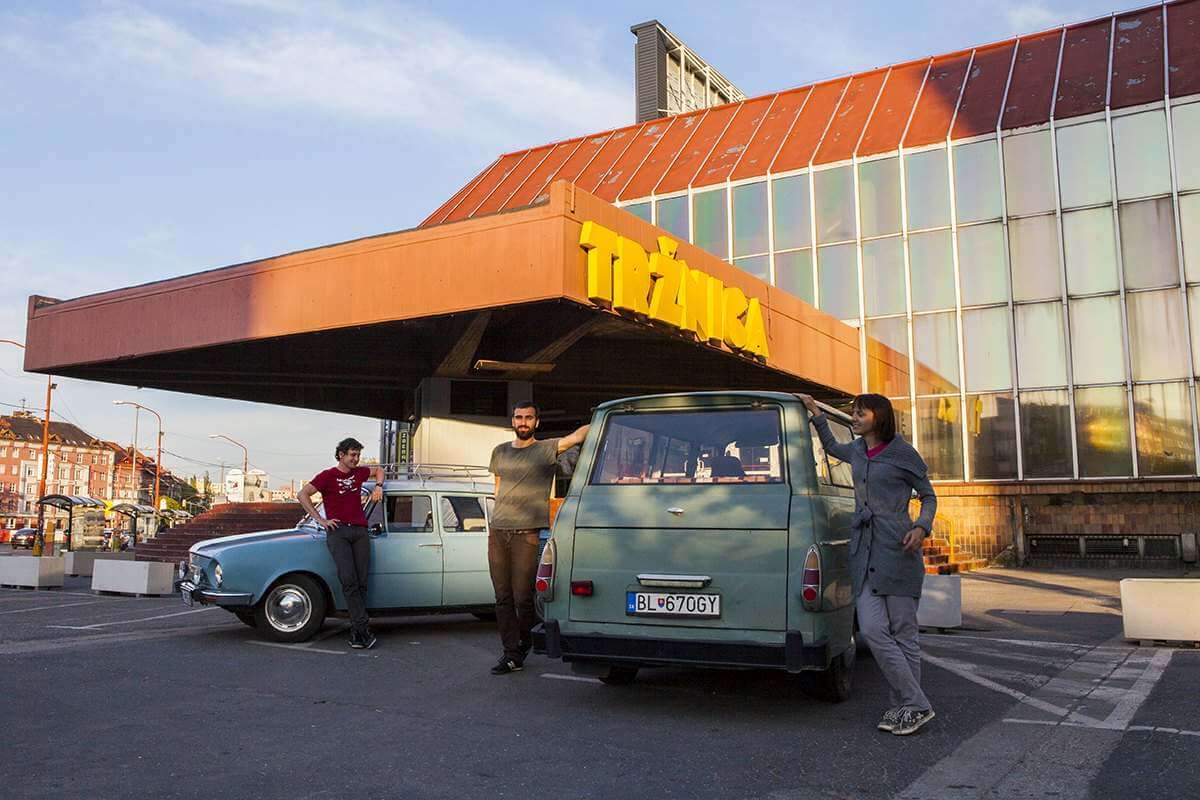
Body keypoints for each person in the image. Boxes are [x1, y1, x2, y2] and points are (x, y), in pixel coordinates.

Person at [797, 392, 938, 736]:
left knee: (904, 633)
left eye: (860, 413)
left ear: (879, 416)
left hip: (898, 548)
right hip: (864, 550)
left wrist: (921, 527)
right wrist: (815, 412)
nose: (855, 418)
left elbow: (929, 495)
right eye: (854, 413)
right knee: (873, 630)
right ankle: (916, 704)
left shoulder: (903, 453)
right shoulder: (857, 450)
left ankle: (904, 707)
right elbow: (831, 446)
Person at [487, 402, 589, 675]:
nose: (523, 422)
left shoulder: (545, 449)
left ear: (536, 422)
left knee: (522, 597)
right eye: (519, 417)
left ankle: (522, 643)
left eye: (528, 418)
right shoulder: (500, 452)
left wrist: (605, 416)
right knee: (501, 597)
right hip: (498, 532)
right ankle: (511, 653)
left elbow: (578, 436)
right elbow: (498, 488)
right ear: (513, 420)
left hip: (527, 535)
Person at [298, 437, 385, 650]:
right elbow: (303, 494)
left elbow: (379, 470)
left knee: (361, 581)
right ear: (341, 455)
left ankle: (358, 632)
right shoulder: (328, 476)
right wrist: (321, 520)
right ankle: (361, 630)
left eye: (358, 455)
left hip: (360, 531)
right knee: (349, 580)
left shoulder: (359, 473)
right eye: (352, 455)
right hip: (338, 532)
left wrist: (379, 486)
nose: (356, 459)